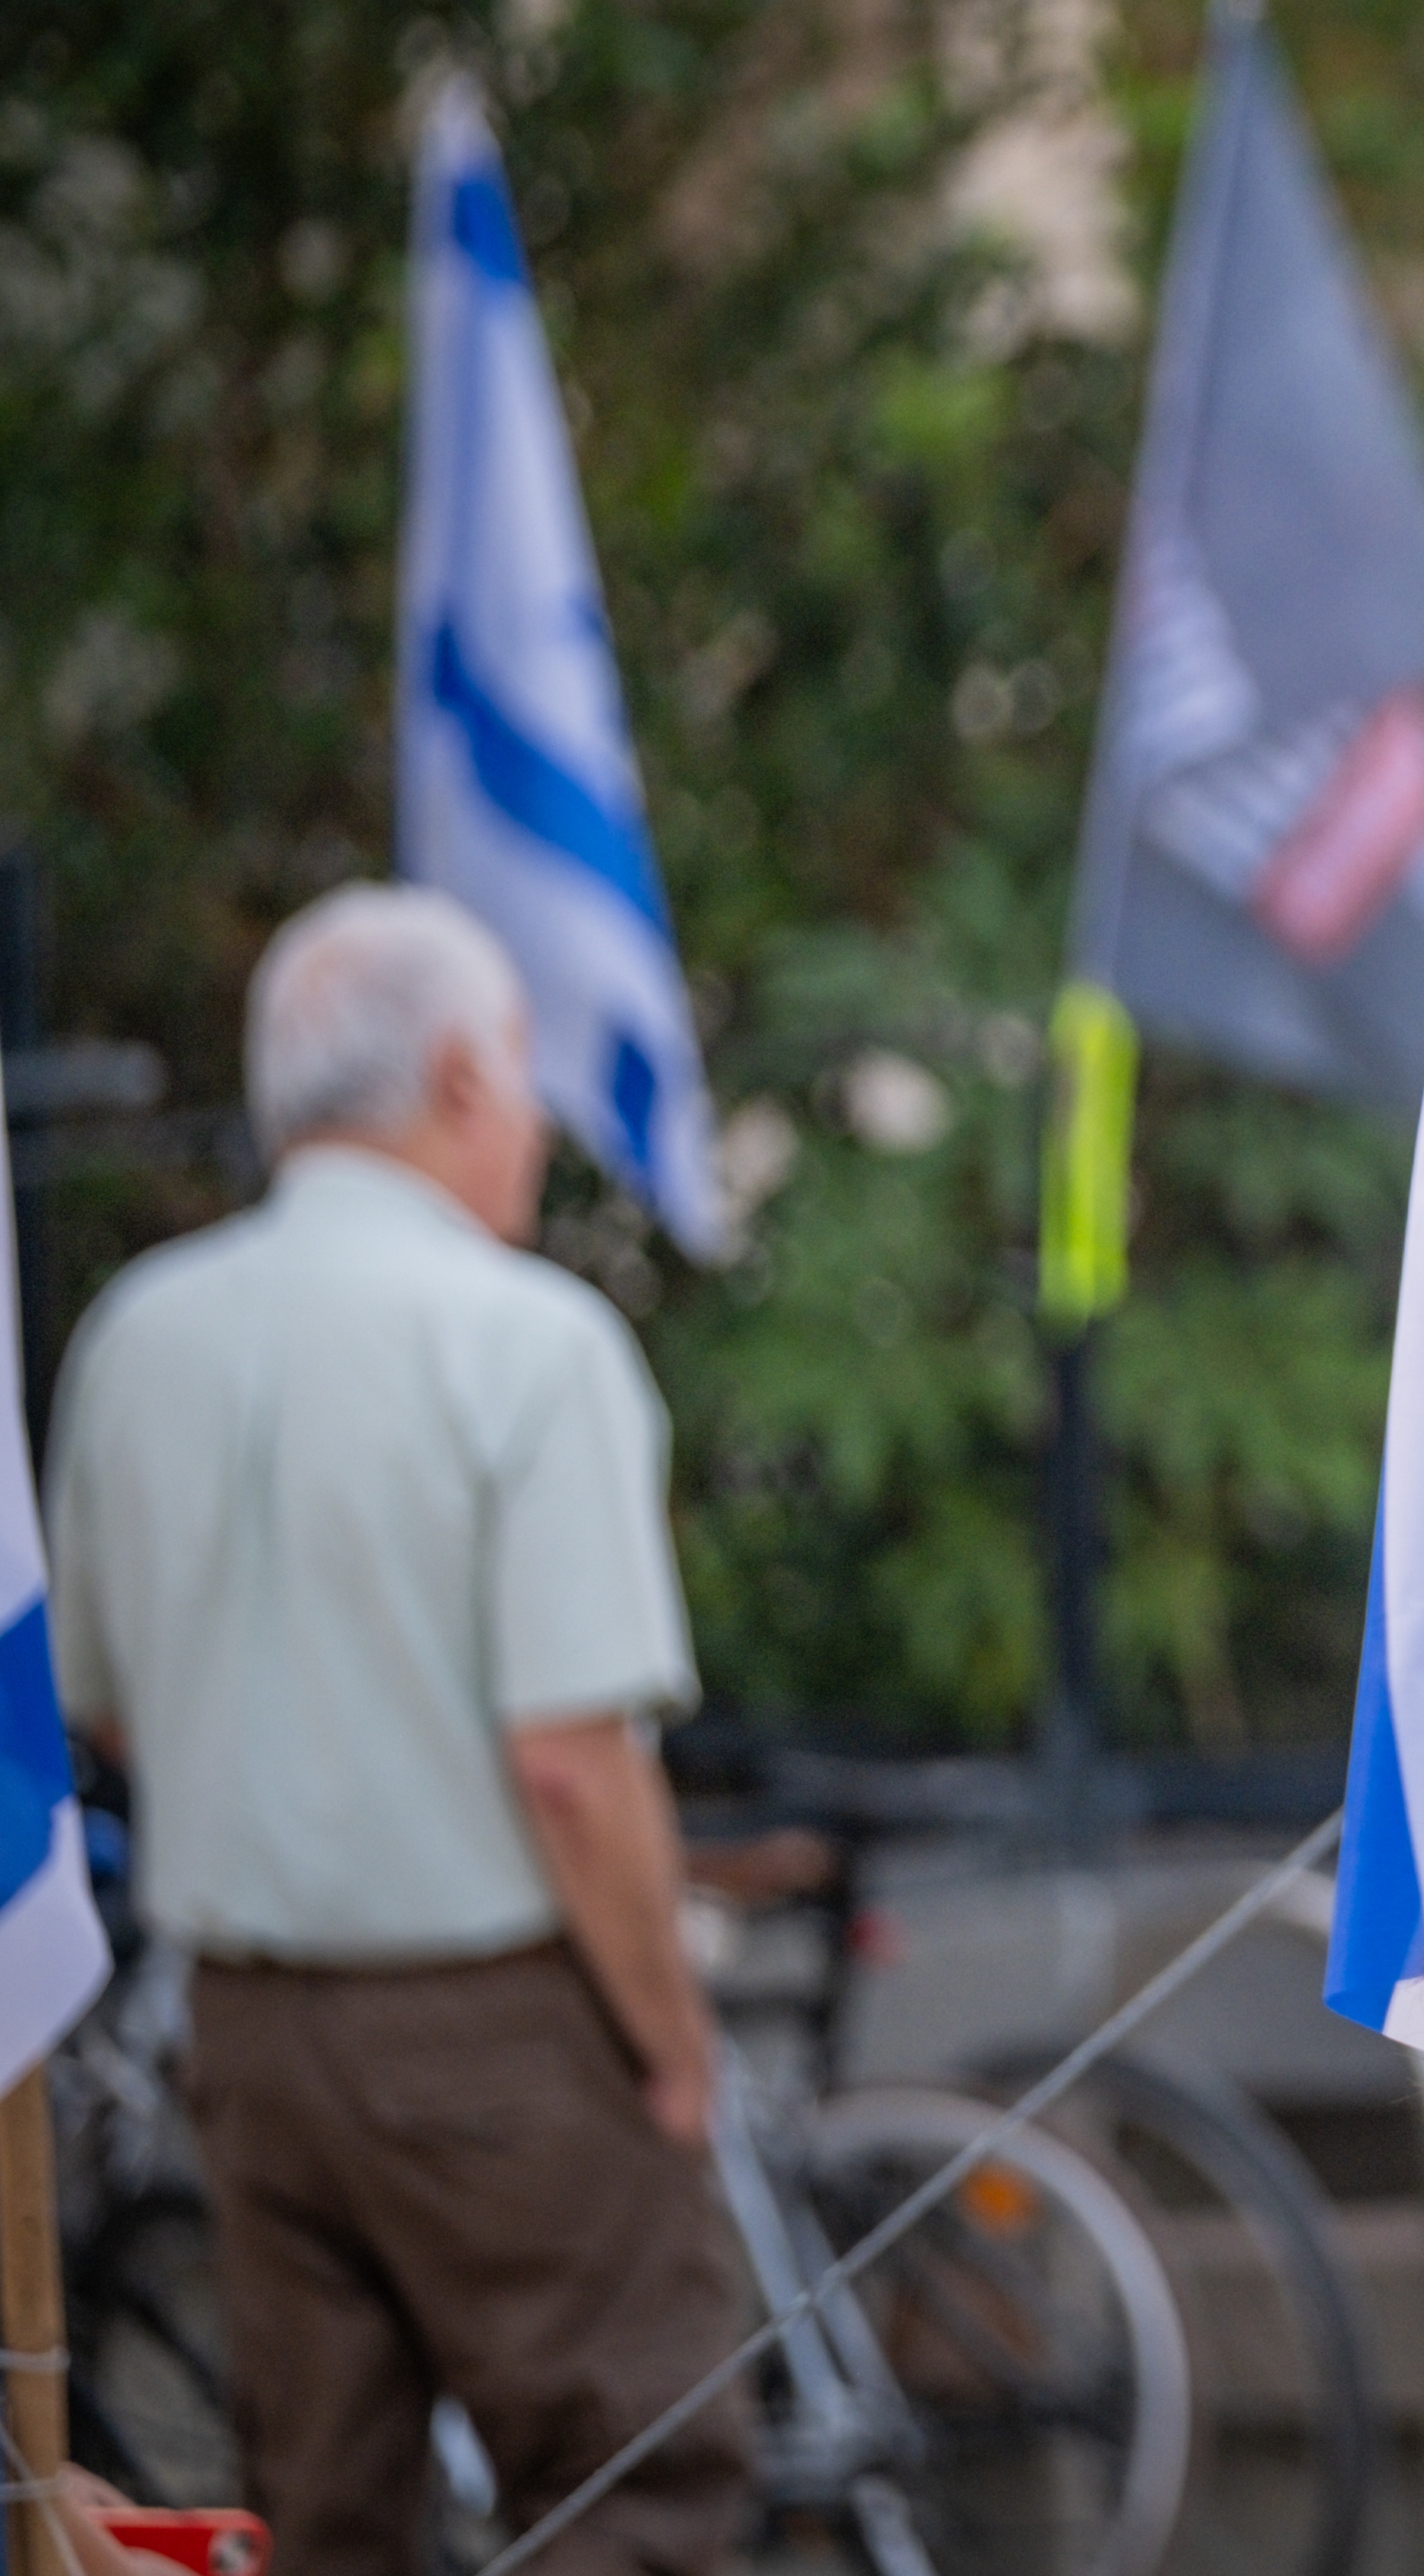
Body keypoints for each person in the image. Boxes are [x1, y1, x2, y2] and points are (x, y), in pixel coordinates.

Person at [41, 886, 746, 2575]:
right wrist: (669, 2043)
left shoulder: (136, 1333)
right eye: (520, 1069)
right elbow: (570, 1763)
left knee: (320, 2511)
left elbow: (99, 1699)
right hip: (492, 2019)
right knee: (632, 2489)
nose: (536, 1121)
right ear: (457, 1079)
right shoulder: (532, 1340)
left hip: (246, 2030)